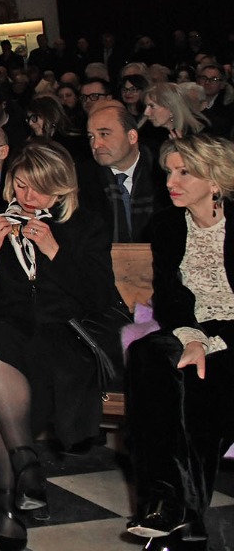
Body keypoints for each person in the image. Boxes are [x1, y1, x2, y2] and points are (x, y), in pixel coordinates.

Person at [0, 141, 115, 550]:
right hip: (7, 330)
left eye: (40, 190)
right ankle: (24, 464)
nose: (28, 198)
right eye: (22, 187)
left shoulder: (86, 224)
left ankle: (11, 500)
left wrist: (53, 251)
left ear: (62, 189)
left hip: (62, 333)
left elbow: (98, 298)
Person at [124, 134, 234, 548]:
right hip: (193, 330)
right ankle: (165, 503)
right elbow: (170, 299)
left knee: (191, 384)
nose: (172, 180)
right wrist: (192, 337)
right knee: (148, 354)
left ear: (215, 179)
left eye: (185, 172)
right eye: (170, 170)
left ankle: (182, 516)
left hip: (232, 337)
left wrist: (211, 342)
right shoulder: (168, 224)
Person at [82, 100, 159, 243]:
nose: (96, 144)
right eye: (91, 136)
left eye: (104, 134)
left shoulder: (162, 172)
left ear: (132, 137)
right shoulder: (82, 179)